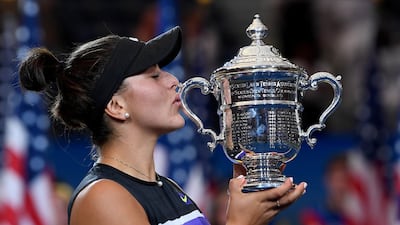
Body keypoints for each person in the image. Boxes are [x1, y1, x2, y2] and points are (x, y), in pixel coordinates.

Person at [18, 26, 307, 225]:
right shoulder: (103, 197)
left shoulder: (166, 187)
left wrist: (252, 211)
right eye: (154, 76)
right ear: (117, 106)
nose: (174, 81)